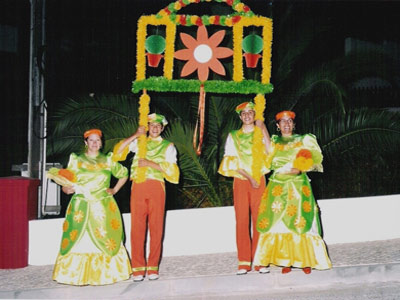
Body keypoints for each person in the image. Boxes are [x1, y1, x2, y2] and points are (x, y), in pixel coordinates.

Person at [254, 111, 332, 274]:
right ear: (277, 125)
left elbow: (316, 159)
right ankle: (286, 261)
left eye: (289, 121)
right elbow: (268, 152)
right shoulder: (275, 141)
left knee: (301, 221)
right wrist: (261, 127)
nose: (286, 124)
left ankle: (306, 260)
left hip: (298, 187)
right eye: (282, 122)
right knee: (278, 223)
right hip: (278, 187)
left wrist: (301, 168)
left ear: (294, 124)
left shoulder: (304, 139)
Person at [52, 129, 132, 286]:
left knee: (105, 238)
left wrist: (114, 190)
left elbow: (124, 173)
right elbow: (66, 181)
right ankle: (74, 275)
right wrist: (65, 189)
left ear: (101, 142)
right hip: (80, 206)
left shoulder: (108, 160)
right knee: (78, 239)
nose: (95, 143)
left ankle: (106, 274)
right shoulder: (76, 160)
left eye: (97, 140)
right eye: (91, 140)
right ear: (85, 143)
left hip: (102, 206)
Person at [114, 113, 179, 282]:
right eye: (152, 125)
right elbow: (118, 152)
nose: (155, 128)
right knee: (137, 227)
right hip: (138, 185)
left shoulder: (168, 146)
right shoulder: (140, 142)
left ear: (162, 128)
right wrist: (136, 134)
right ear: (147, 126)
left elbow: (173, 171)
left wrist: (151, 164)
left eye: (158, 125)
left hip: (157, 186)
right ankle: (137, 268)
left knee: (156, 227)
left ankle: (153, 267)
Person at [218, 102, 270, 275]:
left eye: (250, 112)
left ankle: (259, 260)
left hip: (259, 178)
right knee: (241, 220)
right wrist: (249, 177)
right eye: (244, 113)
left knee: (260, 220)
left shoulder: (259, 132)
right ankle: (244, 261)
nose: (247, 116)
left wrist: (263, 129)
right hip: (241, 180)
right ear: (240, 117)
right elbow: (230, 159)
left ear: (255, 115)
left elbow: (270, 152)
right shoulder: (234, 135)